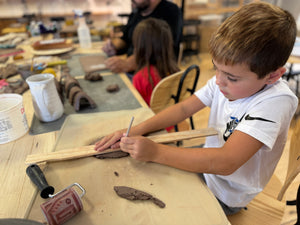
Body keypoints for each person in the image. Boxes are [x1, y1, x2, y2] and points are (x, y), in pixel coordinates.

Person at [95, 2, 298, 215]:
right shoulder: (225, 81)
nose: (219, 81)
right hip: (210, 165)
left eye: (231, 77)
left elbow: (226, 162)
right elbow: (184, 109)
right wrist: (138, 129)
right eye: (215, 68)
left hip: (230, 193)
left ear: (273, 76)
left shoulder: (276, 101)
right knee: (144, 174)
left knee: (154, 208)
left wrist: (155, 151)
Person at [102, 0, 183, 75]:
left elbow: (160, 52)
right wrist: (114, 47)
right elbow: (125, 39)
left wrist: (128, 64)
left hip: (154, 78)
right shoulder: (138, 11)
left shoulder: (171, 11)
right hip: (133, 72)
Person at [132, 18, 179, 105]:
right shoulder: (175, 71)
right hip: (173, 116)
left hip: (152, 117)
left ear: (139, 47)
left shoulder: (140, 78)